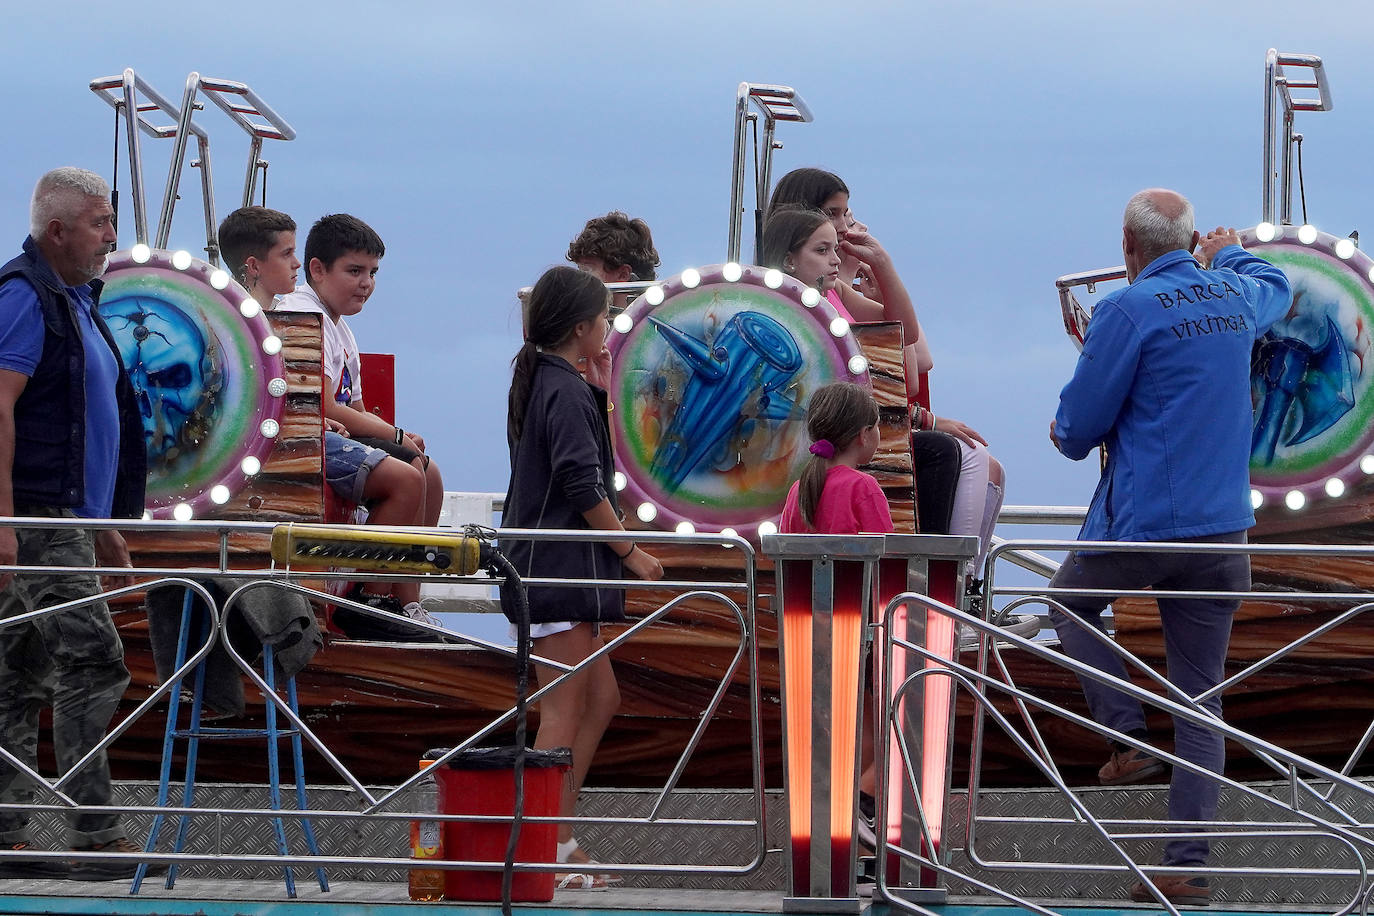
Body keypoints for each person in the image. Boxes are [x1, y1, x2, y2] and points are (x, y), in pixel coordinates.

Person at [1048, 189, 1292, 906]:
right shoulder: (1238, 296)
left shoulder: (1124, 310)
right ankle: (1185, 866)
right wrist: (1231, 251)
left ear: (1128, 244)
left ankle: (1125, 740)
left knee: (1067, 603)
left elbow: (1077, 430)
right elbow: (1276, 286)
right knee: (1201, 702)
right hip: (1223, 535)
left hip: (1149, 527)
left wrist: (1065, 433)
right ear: (1189, 242)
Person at [0, 167, 161, 880]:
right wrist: (4, 516)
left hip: (64, 513)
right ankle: (93, 835)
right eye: (99, 223)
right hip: (35, 513)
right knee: (91, 658)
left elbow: (92, 425)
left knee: (18, 669)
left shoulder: (77, 301)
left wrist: (106, 524)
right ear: (57, 230)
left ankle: (7, 832)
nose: (110, 238)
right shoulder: (24, 297)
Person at [766, 170, 1006, 596]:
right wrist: (927, 419)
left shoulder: (834, 289)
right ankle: (941, 590)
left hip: (860, 421)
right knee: (952, 454)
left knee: (965, 452)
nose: (843, 230)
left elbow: (905, 338)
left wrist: (882, 265)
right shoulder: (787, 305)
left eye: (845, 217)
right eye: (831, 221)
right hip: (829, 429)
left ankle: (957, 586)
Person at [501, 266, 663, 889]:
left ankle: (559, 834)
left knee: (600, 698)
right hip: (555, 570)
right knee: (562, 709)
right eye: (603, 320)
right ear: (580, 327)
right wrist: (629, 551)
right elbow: (578, 479)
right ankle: (545, 843)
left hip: (561, 569)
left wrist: (598, 390)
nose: (610, 330)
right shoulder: (559, 388)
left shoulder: (559, 382)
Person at [219, 209, 440, 639]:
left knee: (427, 470)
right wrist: (392, 436)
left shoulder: (341, 328)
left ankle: (405, 600)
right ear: (319, 271)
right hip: (301, 440)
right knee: (407, 480)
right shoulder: (302, 314)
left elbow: (355, 407)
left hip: (328, 432)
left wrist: (395, 434)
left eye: (372, 273)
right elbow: (319, 403)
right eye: (355, 271)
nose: (366, 283)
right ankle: (369, 599)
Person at [566, 212, 660, 283]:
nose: (576, 281)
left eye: (586, 271)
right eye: (579, 270)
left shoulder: (666, 308)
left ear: (623, 275)